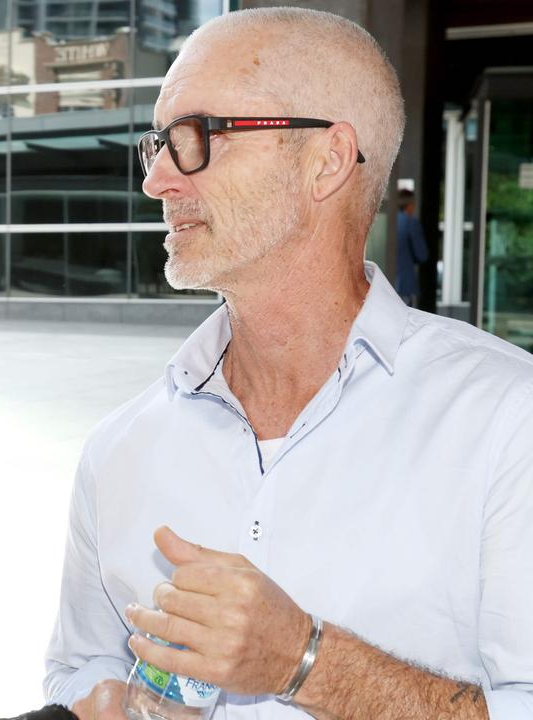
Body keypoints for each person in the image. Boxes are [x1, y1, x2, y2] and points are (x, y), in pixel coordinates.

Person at [45, 8, 533, 720]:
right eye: (157, 144)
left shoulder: (506, 422)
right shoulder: (118, 449)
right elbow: (75, 666)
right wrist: (107, 699)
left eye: (199, 138)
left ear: (328, 161)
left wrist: (307, 662)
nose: (157, 182)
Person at [395, 188, 430, 307]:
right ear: (409, 205)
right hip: (404, 284)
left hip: (384, 282)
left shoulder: (389, 221)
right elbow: (422, 255)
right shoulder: (411, 222)